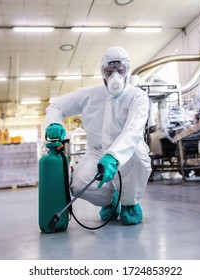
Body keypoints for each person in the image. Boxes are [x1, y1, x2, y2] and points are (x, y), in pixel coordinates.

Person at [45, 46, 151, 225]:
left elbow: (133, 131)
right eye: (109, 71)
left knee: (139, 159)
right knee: (78, 184)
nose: (114, 76)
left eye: (120, 70)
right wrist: (54, 122)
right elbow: (56, 106)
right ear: (102, 72)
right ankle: (111, 200)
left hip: (129, 151)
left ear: (128, 70)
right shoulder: (89, 95)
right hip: (97, 152)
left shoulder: (137, 97)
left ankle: (129, 202)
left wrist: (114, 156)